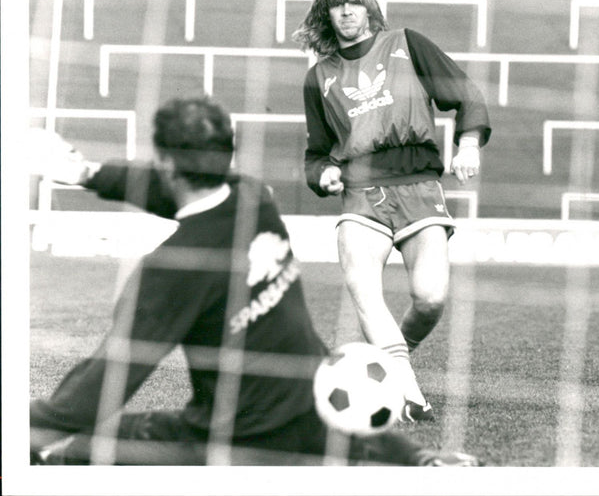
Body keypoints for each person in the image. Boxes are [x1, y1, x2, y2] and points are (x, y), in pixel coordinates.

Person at [29, 97, 481, 466]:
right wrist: (88, 173)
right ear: (227, 155)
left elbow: (108, 380)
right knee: (340, 432)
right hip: (311, 407)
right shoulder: (254, 199)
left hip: (233, 437)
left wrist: (32, 424)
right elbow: (175, 190)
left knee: (76, 445)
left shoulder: (172, 268)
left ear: (165, 162)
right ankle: (424, 462)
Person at [292, 0, 491, 422]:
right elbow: (316, 153)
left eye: (354, 2)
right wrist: (322, 175)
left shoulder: (406, 44)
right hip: (361, 194)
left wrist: (468, 144)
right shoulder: (319, 77)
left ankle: (389, 362)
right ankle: (406, 391)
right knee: (363, 285)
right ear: (327, 13)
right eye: (337, 4)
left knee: (431, 297)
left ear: (368, 7)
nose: (346, 10)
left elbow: (466, 96)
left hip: (419, 185)